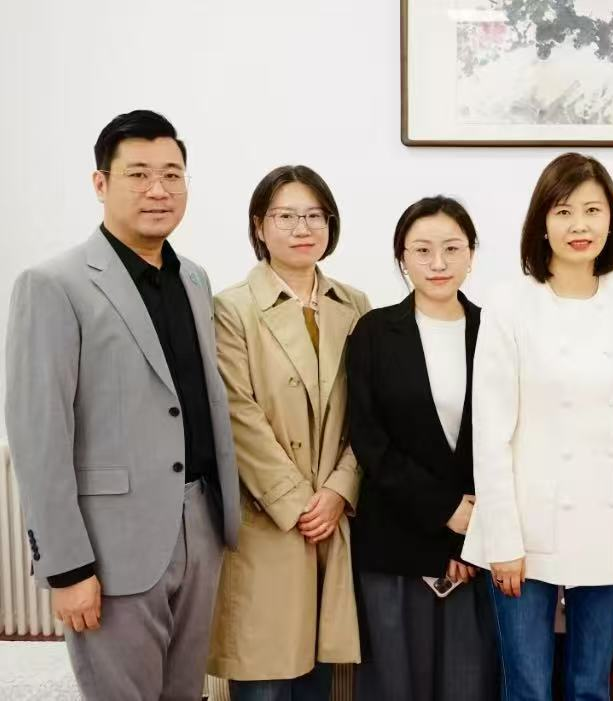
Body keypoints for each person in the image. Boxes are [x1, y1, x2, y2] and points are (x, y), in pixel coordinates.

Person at [4, 109, 240, 700]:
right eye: (138, 174)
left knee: (185, 692)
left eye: (172, 174)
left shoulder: (194, 279)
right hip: (110, 546)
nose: (158, 190)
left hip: (201, 527)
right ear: (101, 183)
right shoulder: (53, 283)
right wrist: (66, 568)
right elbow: (39, 436)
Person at [461, 153, 613, 701]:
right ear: (541, 222)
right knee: (527, 687)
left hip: (611, 522)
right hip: (526, 526)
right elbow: (491, 433)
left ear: (611, 220)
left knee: (591, 685)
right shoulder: (509, 303)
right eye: (564, 211)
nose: (579, 225)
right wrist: (502, 538)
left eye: (593, 210)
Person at [207, 165, 368, 699]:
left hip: (334, 519)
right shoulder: (231, 308)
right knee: (266, 677)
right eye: (286, 216)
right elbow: (237, 412)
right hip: (268, 519)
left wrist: (340, 490)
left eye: (314, 216)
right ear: (259, 225)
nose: (303, 228)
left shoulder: (356, 306)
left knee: (319, 679)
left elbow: (371, 413)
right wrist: (298, 501)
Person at [346, 196, 498, 700]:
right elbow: (369, 440)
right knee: (394, 687)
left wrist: (466, 540)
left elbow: (504, 439)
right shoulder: (373, 332)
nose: (438, 263)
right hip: (394, 546)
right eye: (423, 250)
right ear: (402, 257)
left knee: (468, 686)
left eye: (452, 248)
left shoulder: (495, 331)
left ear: (471, 254)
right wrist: (444, 512)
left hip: (474, 550)